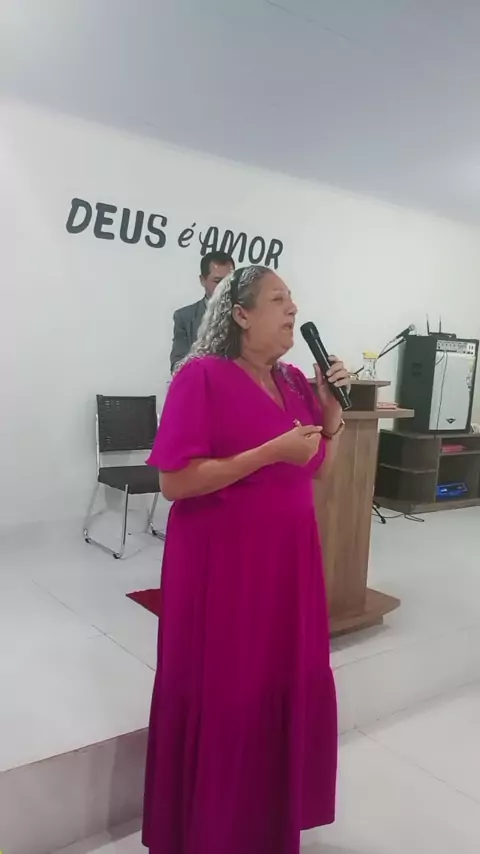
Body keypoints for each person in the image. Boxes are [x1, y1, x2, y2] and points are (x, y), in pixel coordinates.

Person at [143, 265, 350, 854]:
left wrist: (331, 412)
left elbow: (317, 467)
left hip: (288, 565)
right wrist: (267, 453)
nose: (293, 310)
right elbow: (175, 483)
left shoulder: (294, 381)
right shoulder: (201, 377)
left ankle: (264, 820)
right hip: (224, 566)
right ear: (240, 314)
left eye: (293, 300)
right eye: (278, 300)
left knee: (276, 682)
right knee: (228, 686)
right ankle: (209, 828)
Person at [169, 251, 235, 372]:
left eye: (229, 281)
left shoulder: (247, 314)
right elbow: (177, 366)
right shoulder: (184, 317)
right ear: (202, 280)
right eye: (217, 281)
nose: (225, 287)